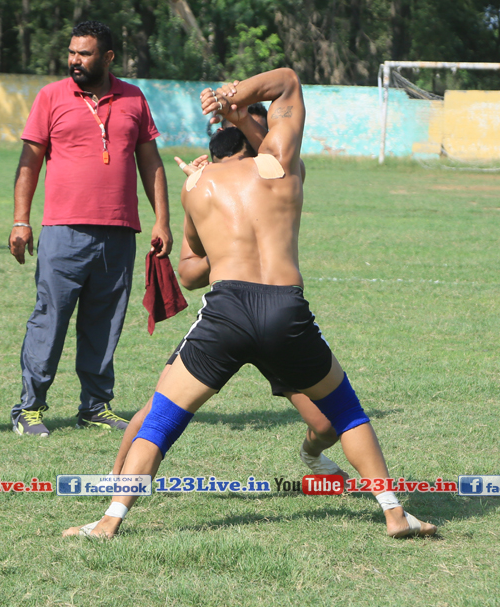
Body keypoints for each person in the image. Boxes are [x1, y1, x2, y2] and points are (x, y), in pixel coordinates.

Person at [65, 68, 437, 540]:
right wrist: (233, 98)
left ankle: (109, 521)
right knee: (347, 414)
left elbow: (189, 273)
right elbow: (287, 81)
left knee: (161, 419)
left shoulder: (197, 185)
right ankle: (393, 513)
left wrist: (216, 216)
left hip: (228, 311)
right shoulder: (285, 168)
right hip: (285, 309)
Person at [113, 100, 344, 479]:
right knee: (159, 410)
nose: (270, 141)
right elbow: (189, 274)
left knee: (328, 425)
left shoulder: (283, 174)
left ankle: (312, 457)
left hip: (277, 319)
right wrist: (226, 241)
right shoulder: (204, 186)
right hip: (229, 317)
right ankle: (112, 480)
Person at [8, 20, 172, 436]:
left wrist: (163, 220)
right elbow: (29, 163)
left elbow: (150, 162)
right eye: (72, 52)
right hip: (64, 230)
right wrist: (21, 220)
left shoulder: (133, 97)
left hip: (119, 230)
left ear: (108, 57)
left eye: (84, 53)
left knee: (106, 322)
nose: (75, 60)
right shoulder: (51, 96)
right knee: (50, 318)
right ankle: (29, 408)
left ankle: (95, 406)